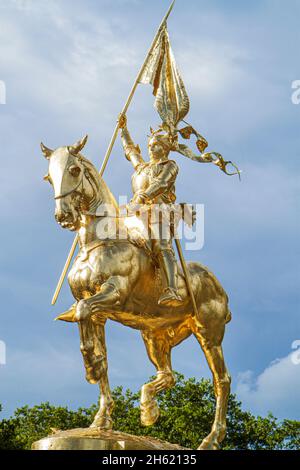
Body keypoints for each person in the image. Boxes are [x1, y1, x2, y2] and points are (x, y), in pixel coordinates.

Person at [118, 113, 184, 308]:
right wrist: (123, 130)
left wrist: (142, 197)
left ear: (164, 148)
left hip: (160, 211)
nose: (151, 148)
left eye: (155, 145)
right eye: (150, 145)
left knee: (162, 246)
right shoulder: (142, 167)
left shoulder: (170, 165)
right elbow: (130, 151)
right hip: (136, 211)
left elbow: (162, 183)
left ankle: (171, 289)